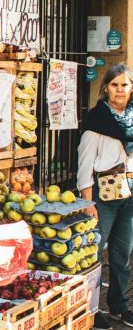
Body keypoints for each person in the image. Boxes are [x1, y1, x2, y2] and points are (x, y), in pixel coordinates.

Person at [77, 64, 133, 329]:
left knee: (122, 255)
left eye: (124, 84)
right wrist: (88, 202)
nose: (120, 89)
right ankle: (91, 309)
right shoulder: (97, 119)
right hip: (103, 195)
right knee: (94, 254)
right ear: (106, 88)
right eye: (114, 84)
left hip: (129, 195)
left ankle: (119, 308)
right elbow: (85, 162)